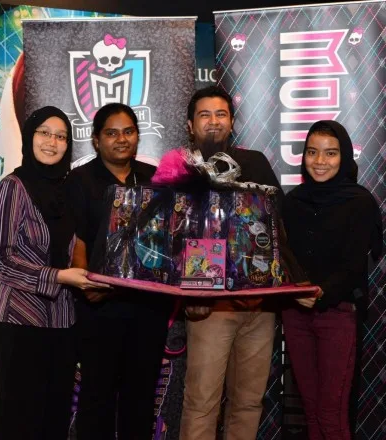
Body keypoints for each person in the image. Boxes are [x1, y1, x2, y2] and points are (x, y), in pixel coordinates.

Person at [152, 86, 284, 440]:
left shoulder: (255, 162)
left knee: (249, 402)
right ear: (190, 124)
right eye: (205, 115)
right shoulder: (176, 170)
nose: (214, 121)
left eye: (221, 114)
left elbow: (277, 226)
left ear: (232, 122)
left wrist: (268, 288)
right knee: (202, 403)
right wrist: (191, 294)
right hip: (210, 308)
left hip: (259, 305)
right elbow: (164, 239)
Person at [0, 106, 108, 440]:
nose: (52, 142)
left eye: (61, 136)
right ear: (29, 136)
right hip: (21, 323)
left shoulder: (67, 192)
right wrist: (58, 276)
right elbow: (1, 261)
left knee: (55, 420)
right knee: (21, 421)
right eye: (44, 133)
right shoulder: (12, 188)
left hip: (63, 323)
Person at [66, 103, 173, 440]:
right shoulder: (80, 181)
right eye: (111, 133)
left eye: (128, 131)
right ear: (96, 140)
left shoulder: (155, 179)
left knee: (140, 397)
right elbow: (77, 240)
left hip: (148, 306)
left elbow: (170, 236)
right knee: (96, 397)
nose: (121, 139)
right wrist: (87, 285)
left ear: (138, 136)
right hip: (100, 306)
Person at [281, 120, 383, 440]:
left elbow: (354, 266)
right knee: (311, 412)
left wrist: (321, 293)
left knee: (331, 414)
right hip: (295, 314)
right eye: (312, 152)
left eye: (330, 153)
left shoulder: (359, 202)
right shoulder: (292, 202)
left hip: (337, 313)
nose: (320, 161)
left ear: (344, 157)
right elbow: (282, 258)